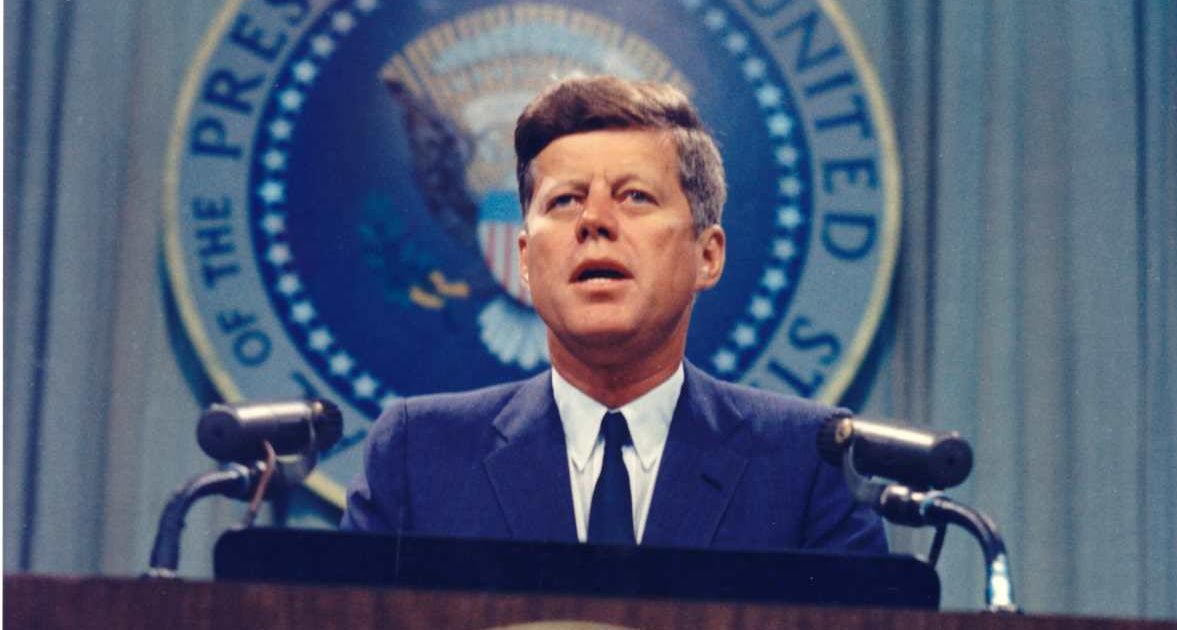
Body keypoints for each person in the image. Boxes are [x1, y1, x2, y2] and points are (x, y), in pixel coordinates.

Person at [342, 75, 886, 553]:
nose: (594, 220)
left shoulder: (808, 464)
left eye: (634, 197)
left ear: (708, 255)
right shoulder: (418, 455)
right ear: (526, 259)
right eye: (564, 201)